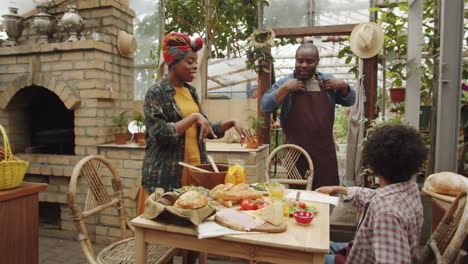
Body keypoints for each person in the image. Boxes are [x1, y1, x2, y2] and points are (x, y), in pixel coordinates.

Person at [137, 32, 248, 214]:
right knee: (164, 231)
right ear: (172, 63)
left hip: (193, 172)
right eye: (189, 62)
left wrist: (230, 122)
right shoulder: (156, 93)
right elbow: (161, 134)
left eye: (196, 61)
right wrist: (194, 117)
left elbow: (202, 128)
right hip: (166, 176)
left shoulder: (190, 92)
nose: (195, 66)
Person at [316, 124, 427, 264]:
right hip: (360, 250)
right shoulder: (408, 190)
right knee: (319, 244)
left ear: (374, 164)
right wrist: (338, 189)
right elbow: (371, 195)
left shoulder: (387, 212)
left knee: (301, 256)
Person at [261, 42, 356, 189]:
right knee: (298, 198)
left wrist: (344, 86)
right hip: (296, 153)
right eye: (300, 61)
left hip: (324, 152)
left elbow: (350, 100)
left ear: (317, 62)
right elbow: (265, 106)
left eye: (310, 61)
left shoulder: (327, 82)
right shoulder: (285, 83)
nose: (304, 65)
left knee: (326, 195)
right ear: (295, 61)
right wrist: (286, 88)